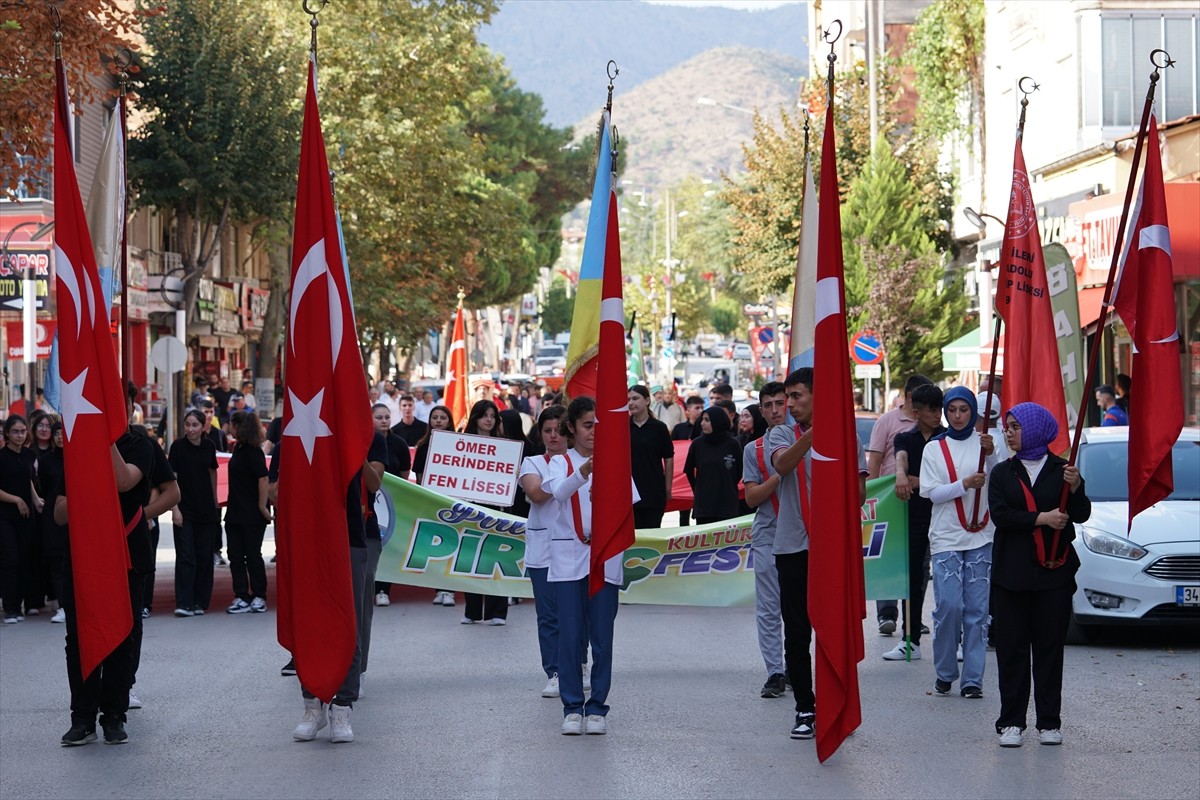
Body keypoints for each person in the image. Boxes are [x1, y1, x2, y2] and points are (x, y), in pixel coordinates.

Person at [57, 422, 175, 745]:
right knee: (79, 635)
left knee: (124, 633)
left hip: (125, 552)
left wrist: (103, 443)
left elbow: (125, 482)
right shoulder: (75, 446)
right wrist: (86, 492)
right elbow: (59, 512)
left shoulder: (141, 445)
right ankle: (81, 718)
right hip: (84, 554)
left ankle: (113, 715)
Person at [767, 368, 867, 740]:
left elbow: (858, 496)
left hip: (831, 549)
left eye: (796, 396)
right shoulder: (780, 433)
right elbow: (781, 465)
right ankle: (805, 708)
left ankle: (836, 701)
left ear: (817, 396)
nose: (788, 405)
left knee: (834, 630)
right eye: (786, 398)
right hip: (793, 546)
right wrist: (815, 434)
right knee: (797, 633)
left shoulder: (848, 438)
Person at [988, 402, 1090, 748]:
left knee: (1049, 648)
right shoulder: (1003, 472)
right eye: (1008, 428)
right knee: (1012, 649)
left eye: (1016, 427)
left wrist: (1077, 489)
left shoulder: (1064, 470)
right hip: (1011, 574)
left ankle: (1049, 722)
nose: (1010, 433)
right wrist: (1040, 519)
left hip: (1054, 573)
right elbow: (1001, 515)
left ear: (1034, 430)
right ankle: (1011, 722)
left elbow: (1082, 514)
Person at [271, 433, 377, 744]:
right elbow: (275, 494)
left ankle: (342, 707)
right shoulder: (291, 436)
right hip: (309, 540)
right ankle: (312, 705)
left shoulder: (353, 436)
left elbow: (374, 485)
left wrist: (353, 451)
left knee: (350, 626)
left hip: (351, 541)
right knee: (310, 625)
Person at [541, 396, 635, 735]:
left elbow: (629, 505)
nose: (594, 431)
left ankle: (597, 707)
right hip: (569, 558)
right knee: (569, 636)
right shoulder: (559, 463)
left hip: (604, 558)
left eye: (598, 425)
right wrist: (586, 471)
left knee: (602, 637)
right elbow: (560, 493)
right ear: (572, 428)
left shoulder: (615, 461)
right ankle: (571, 707)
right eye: (586, 425)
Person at [919, 387, 998, 699]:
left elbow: (1001, 479)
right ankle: (946, 670)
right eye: (952, 410)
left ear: (974, 412)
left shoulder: (986, 445)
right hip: (947, 536)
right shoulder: (934, 448)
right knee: (950, 605)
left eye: (964, 410)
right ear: (945, 412)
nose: (958, 416)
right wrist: (963, 484)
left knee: (978, 610)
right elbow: (932, 493)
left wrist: (991, 455)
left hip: (982, 535)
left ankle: (973, 679)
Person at [867, 374, 932, 636]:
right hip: (890, 500)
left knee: (921, 561)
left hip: (923, 498)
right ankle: (887, 613)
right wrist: (870, 495)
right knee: (890, 556)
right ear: (907, 398)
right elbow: (875, 461)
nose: (924, 410)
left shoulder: (932, 425)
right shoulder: (887, 422)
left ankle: (913, 617)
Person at [884, 383, 945, 662]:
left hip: (947, 518)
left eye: (940, 409)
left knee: (947, 581)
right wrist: (900, 475)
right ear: (917, 412)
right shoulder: (905, 438)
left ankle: (952, 640)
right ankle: (910, 640)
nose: (939, 415)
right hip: (915, 518)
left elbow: (953, 479)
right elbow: (901, 460)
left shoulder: (949, 439)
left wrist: (921, 482)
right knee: (912, 578)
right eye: (933, 410)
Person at [518, 405, 569, 698]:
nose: (553, 436)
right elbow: (536, 495)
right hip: (543, 551)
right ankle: (554, 671)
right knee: (549, 615)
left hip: (576, 546)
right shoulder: (533, 463)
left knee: (576, 612)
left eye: (559, 430)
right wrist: (567, 477)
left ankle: (579, 663)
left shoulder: (582, 461)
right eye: (547, 431)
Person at [741, 381, 788, 698]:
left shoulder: (807, 441)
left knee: (800, 607)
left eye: (779, 403)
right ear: (761, 410)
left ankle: (799, 665)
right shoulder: (752, 450)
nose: (774, 411)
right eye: (768, 405)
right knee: (769, 609)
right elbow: (752, 497)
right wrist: (779, 473)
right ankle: (775, 671)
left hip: (804, 533)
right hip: (769, 532)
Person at [168, 409, 220, 618]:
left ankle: (200, 601)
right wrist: (174, 509)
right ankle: (184, 602)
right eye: (187, 425)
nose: (190, 429)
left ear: (203, 426)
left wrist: (215, 502)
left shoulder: (209, 446)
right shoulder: (178, 447)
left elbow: (212, 471)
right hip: (184, 509)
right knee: (185, 555)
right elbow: (171, 478)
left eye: (194, 425)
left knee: (205, 556)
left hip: (206, 509)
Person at [460, 400, 508, 625]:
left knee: (495, 557)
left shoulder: (503, 445)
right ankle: (472, 612)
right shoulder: (462, 444)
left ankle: (497, 612)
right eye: (484, 415)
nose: (488, 419)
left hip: (495, 506)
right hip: (470, 506)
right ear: (475, 417)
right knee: (471, 558)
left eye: (492, 415)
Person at [224, 411, 272, 614]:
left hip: (252, 513)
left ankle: (259, 595)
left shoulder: (253, 452)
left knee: (252, 554)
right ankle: (241, 595)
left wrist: (262, 506)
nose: (230, 428)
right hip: (235, 511)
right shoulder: (239, 448)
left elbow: (263, 479)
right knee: (235, 555)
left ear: (238, 426)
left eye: (232, 424)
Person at [412, 405, 456, 608]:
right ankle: (439, 589)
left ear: (449, 421)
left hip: (455, 504)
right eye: (435, 417)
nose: (438, 421)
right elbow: (420, 478)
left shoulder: (460, 445)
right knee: (437, 547)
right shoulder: (423, 446)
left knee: (453, 547)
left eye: (443, 418)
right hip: (433, 504)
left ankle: (450, 589)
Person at [0, 416, 40, 623]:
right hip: (5, 516)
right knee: (10, 560)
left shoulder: (29, 454)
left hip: (27, 515)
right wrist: (16, 500)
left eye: (23, 431)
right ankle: (9, 608)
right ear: (7, 433)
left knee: (24, 560)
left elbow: (29, 482)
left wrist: (36, 502)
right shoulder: (1, 457)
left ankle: (19, 605)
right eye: (15, 431)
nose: (19, 435)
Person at [372, 403, 411, 608]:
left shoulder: (399, 444)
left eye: (387, 417)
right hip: (367, 501)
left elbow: (404, 475)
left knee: (388, 546)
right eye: (379, 417)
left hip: (390, 504)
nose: (385, 420)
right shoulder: (364, 441)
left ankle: (382, 589)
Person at [683, 407, 742, 524]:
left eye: (707, 420)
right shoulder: (697, 444)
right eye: (702, 419)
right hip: (704, 505)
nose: (702, 423)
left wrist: (727, 484)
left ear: (717, 421)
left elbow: (740, 470)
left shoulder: (733, 444)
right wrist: (698, 489)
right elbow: (689, 470)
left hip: (727, 504)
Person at [627, 385, 673, 530]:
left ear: (647, 400)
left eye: (635, 398)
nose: (631, 403)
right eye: (628, 399)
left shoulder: (659, 428)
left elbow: (668, 458)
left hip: (654, 492)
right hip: (629, 493)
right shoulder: (623, 427)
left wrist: (668, 488)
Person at [37, 421, 68, 624]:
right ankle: (63, 606)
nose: (58, 437)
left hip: (75, 514)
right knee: (57, 561)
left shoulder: (77, 457)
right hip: (52, 514)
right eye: (56, 433)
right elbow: (45, 487)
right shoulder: (46, 461)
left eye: (62, 433)